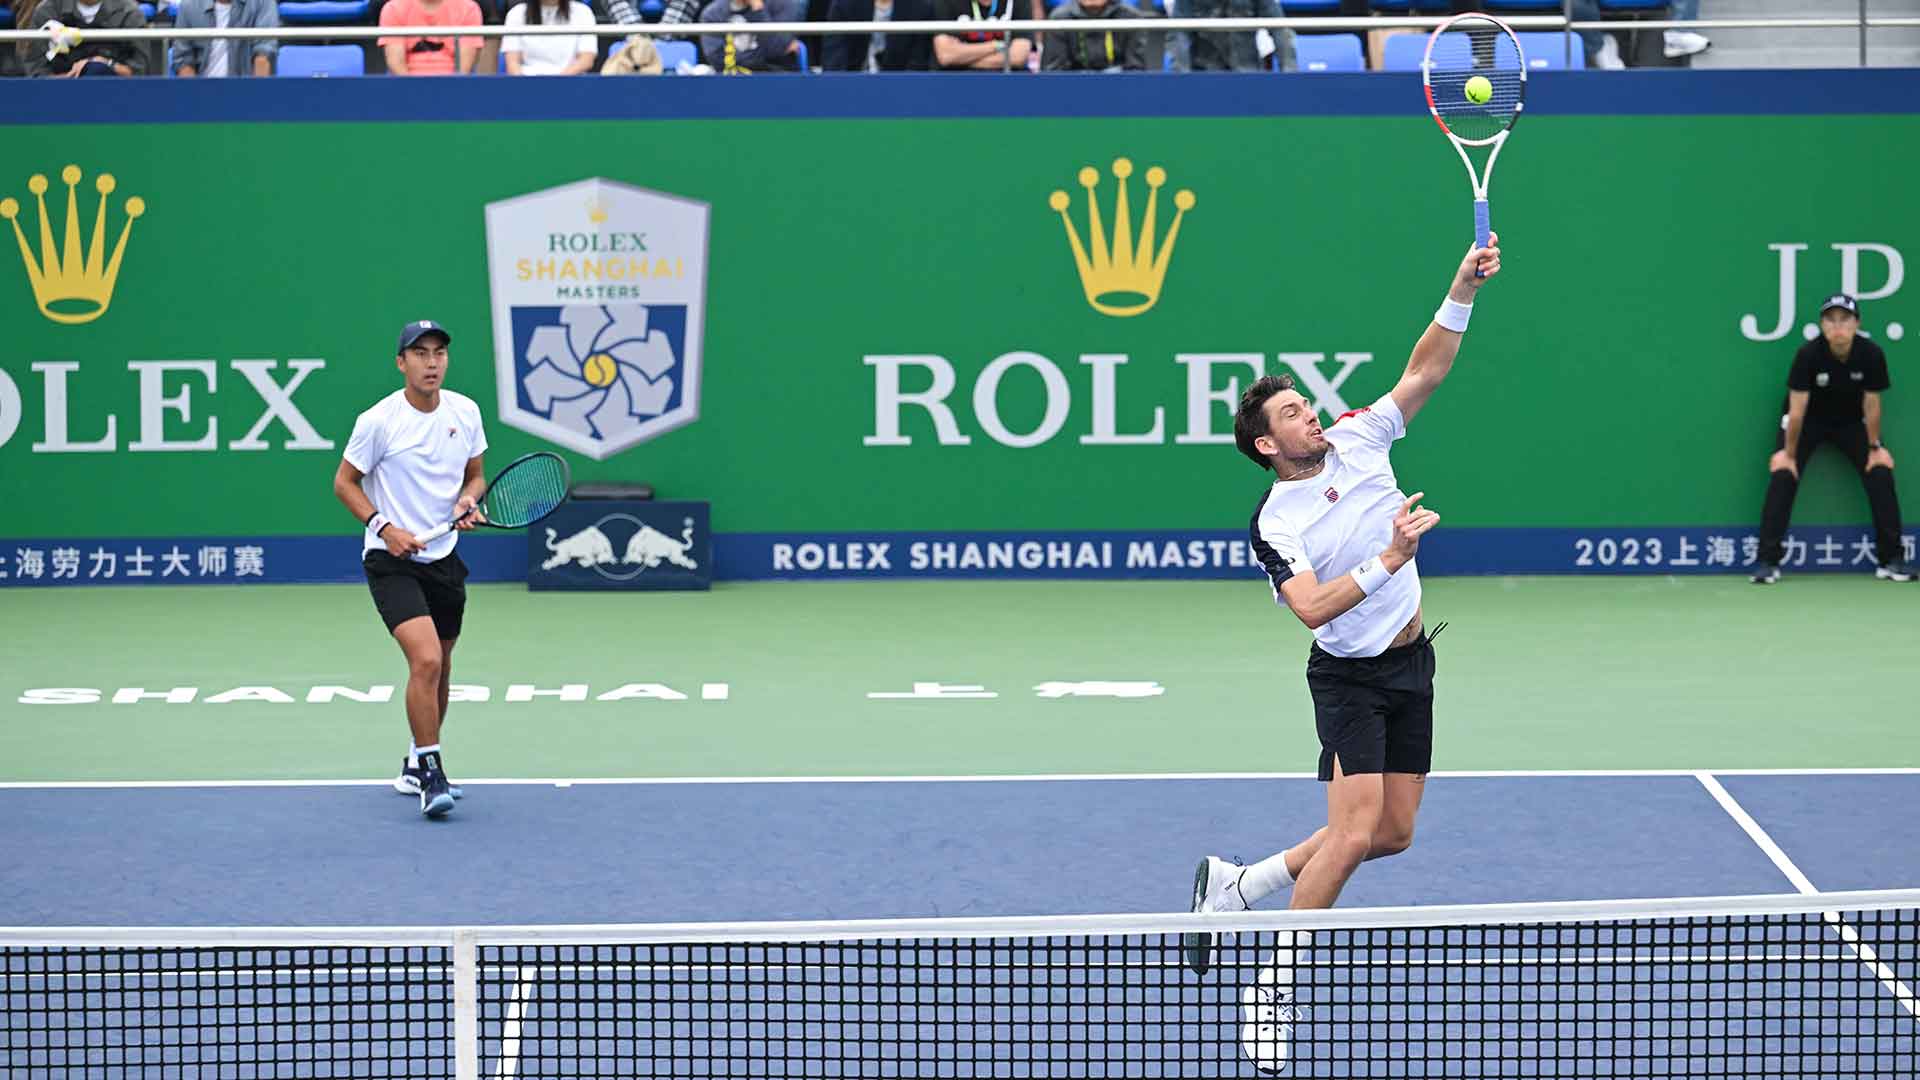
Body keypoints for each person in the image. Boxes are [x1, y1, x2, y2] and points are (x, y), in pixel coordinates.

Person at [1186, 235, 1503, 1069]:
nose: (1309, 415)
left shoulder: (1361, 438)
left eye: (1304, 404)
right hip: (1349, 680)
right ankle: (1274, 988)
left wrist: (1460, 288)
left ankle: (1242, 885)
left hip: (1411, 662)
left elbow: (1425, 371)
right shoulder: (1275, 523)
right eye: (1290, 415)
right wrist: (1388, 559)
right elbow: (1313, 608)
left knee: (1392, 835)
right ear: (1265, 445)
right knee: (1353, 836)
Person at [332, 321, 489, 818]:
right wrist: (385, 527)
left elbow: (476, 475)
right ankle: (431, 771)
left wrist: (469, 500)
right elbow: (344, 483)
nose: (431, 362)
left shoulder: (465, 412)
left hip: (444, 558)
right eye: (420, 353)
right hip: (392, 560)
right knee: (424, 661)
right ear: (401, 363)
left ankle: (413, 763)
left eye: (439, 353)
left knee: (440, 668)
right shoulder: (378, 421)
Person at [1751, 293, 1911, 584]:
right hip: (1807, 421)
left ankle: (1892, 560)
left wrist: (1875, 447)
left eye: (1845, 319)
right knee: (1783, 476)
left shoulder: (1871, 354)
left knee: (1880, 473)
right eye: (1831, 320)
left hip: (1851, 422)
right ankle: (1767, 561)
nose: (1838, 326)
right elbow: (1796, 411)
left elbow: (1872, 404)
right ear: (1822, 326)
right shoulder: (1808, 355)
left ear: (1857, 323)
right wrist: (1788, 453)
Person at [23, 0, 148, 77]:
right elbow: (36, 71)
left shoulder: (130, 12)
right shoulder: (47, 10)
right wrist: (74, 78)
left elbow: (139, 71)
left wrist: (103, 65)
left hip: (114, 95)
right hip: (58, 96)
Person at [171, 0, 280, 77]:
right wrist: (197, 101)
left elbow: (263, 55)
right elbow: (183, 62)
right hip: (202, 94)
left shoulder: (263, 2)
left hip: (246, 92)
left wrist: (256, 100)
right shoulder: (189, 5)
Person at [821, 0, 934, 72]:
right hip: (851, 90)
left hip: (898, 91)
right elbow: (834, 64)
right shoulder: (843, 5)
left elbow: (917, 66)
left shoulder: (921, 8)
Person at [378, 0, 485, 75]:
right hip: (406, 92)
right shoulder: (392, 9)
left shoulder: (469, 9)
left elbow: (464, 69)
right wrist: (415, 94)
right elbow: (396, 63)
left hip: (454, 91)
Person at [1043, 0, 1151, 72]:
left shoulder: (1132, 18)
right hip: (1074, 93)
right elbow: (1056, 72)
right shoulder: (1059, 19)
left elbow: (1136, 70)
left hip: (1120, 91)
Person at [698, 0, 803, 73]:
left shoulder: (784, 4)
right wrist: (760, 57)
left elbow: (775, 50)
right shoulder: (712, 13)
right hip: (732, 80)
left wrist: (757, 10)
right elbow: (717, 60)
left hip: (777, 78)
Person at [930, 0, 1032, 72]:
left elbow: (1018, 56)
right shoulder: (946, 2)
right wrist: (996, 46)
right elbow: (946, 55)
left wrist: (962, 58)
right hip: (956, 81)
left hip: (1006, 80)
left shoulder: (1018, 2)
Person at [502, 0, 598, 75]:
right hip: (527, 85)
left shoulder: (583, 12)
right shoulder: (516, 13)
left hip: (569, 84)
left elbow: (586, 60)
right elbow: (512, 63)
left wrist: (556, 83)